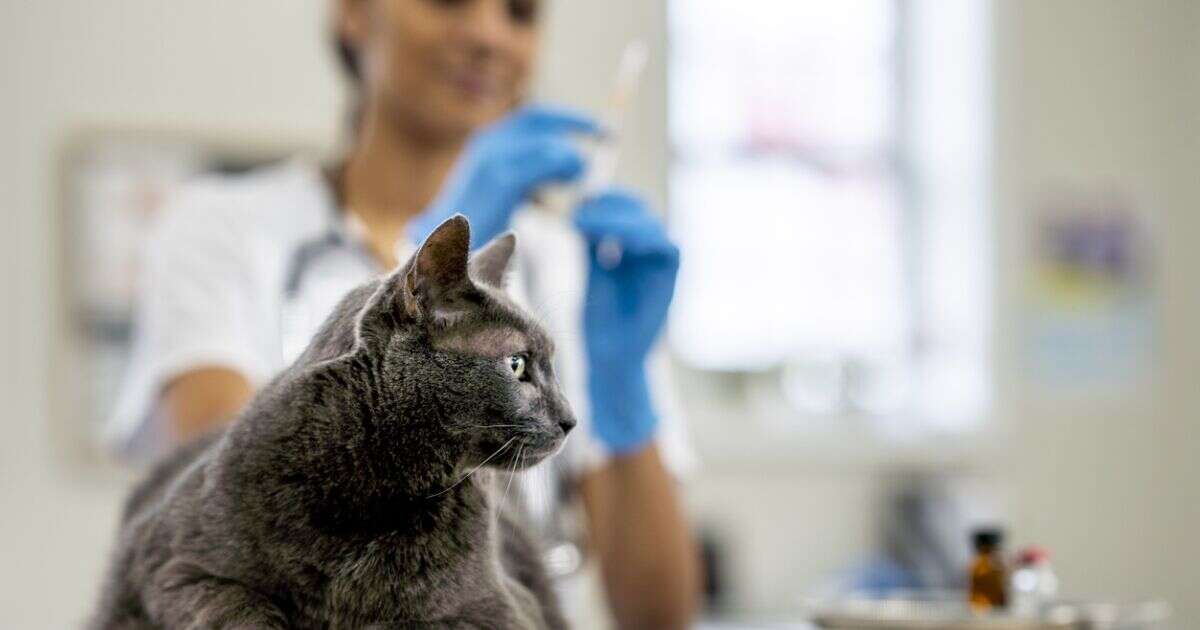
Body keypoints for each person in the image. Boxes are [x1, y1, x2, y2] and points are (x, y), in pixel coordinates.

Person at [107, 0, 700, 627]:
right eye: (449, 1)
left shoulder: (571, 266)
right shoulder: (225, 230)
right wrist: (425, 291)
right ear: (356, 14)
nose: (489, 35)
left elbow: (658, 617)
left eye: (519, 14)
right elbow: (234, 513)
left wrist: (621, 384)